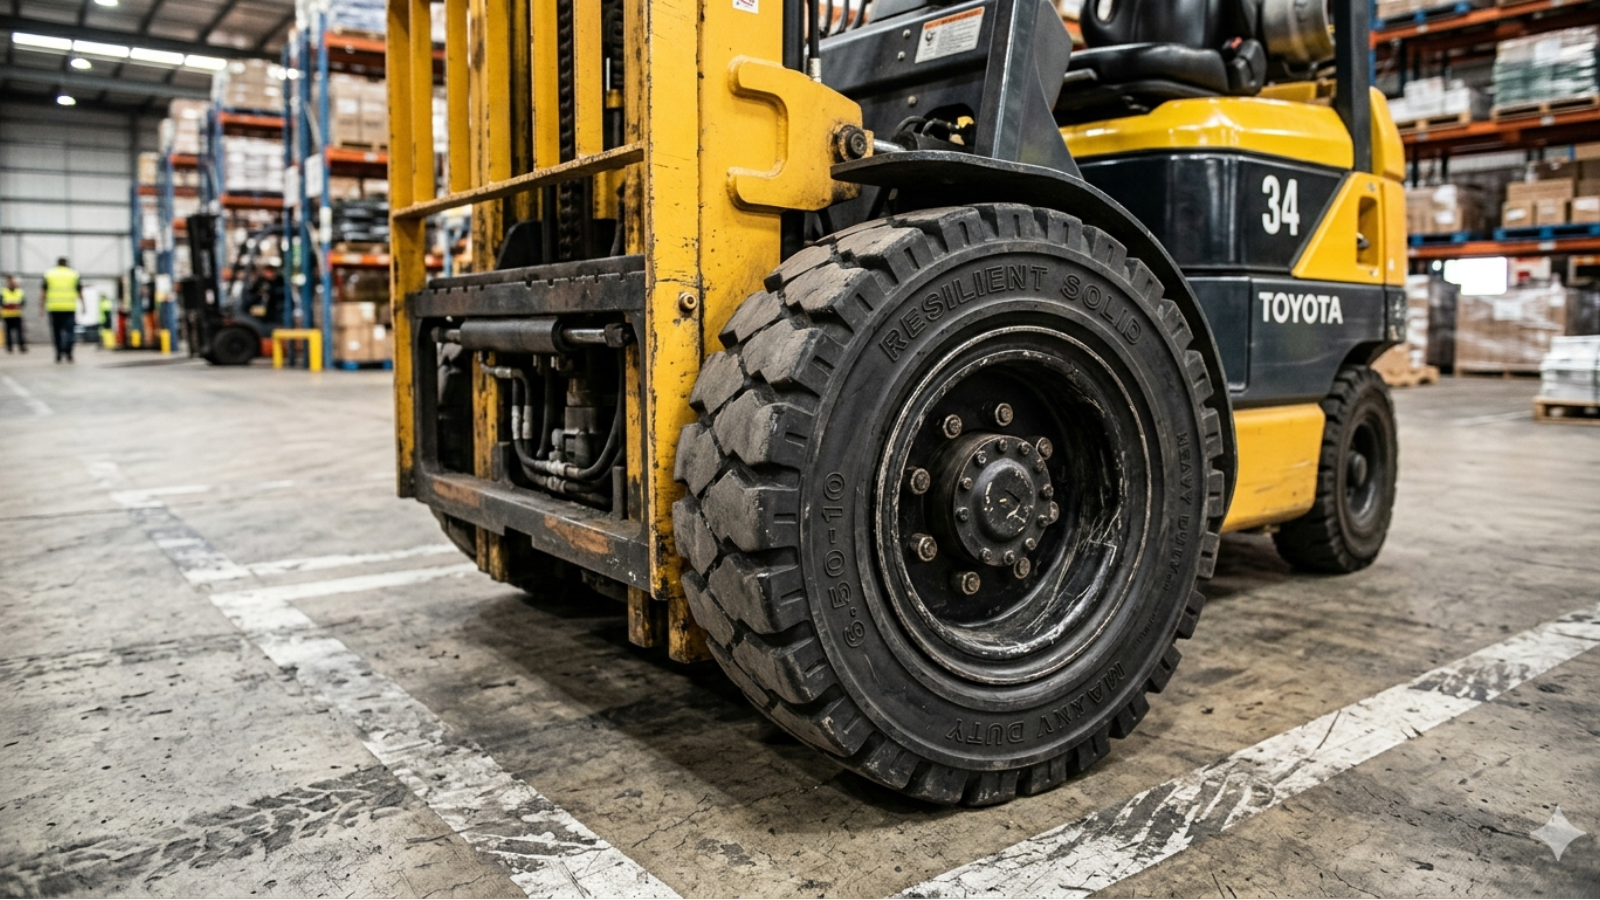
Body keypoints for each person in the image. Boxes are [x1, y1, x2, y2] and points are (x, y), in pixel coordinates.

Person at [41, 257, 81, 363]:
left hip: (54, 308)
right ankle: (69, 353)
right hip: (69, 308)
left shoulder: (49, 274)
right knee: (70, 332)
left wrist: (41, 307)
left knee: (56, 333)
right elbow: (79, 290)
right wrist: (84, 305)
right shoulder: (73, 274)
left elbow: (43, 292)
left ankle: (58, 353)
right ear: (66, 263)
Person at [1, 274, 25, 353]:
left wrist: (17, 304)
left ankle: (21, 346)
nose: (12, 283)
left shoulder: (20, 291)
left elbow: (23, 302)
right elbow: (1, 302)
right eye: (10, 282)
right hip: (7, 315)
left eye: (13, 282)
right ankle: (9, 347)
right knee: (8, 332)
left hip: (17, 314)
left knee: (20, 332)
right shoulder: (3, 291)